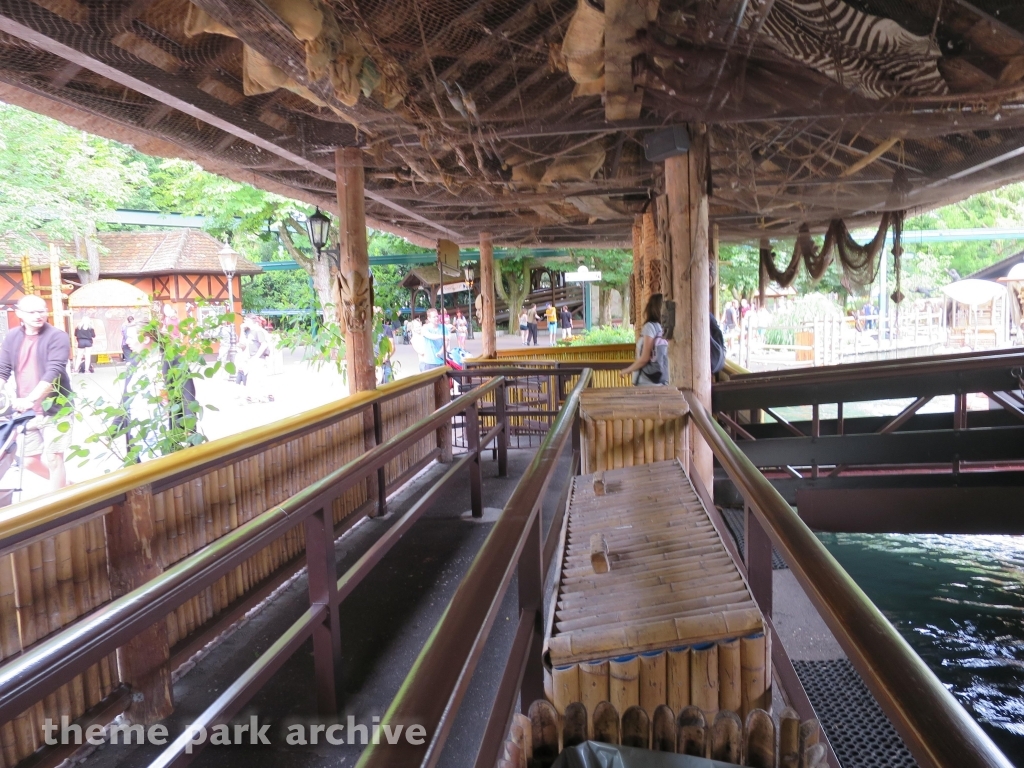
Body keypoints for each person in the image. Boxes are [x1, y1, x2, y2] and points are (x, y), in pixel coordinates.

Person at [0, 295, 72, 491]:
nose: (38, 315)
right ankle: (67, 486)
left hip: (56, 408)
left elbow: (53, 372)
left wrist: (31, 399)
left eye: (41, 310)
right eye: (32, 312)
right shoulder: (12, 336)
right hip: (27, 412)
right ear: (19, 314)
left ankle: (59, 505)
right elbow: (3, 369)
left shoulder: (57, 336)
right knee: (29, 461)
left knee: (54, 457)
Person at [619, 293, 667, 386]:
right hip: (661, 379)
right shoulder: (663, 327)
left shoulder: (650, 327)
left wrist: (627, 370)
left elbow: (645, 358)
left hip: (646, 380)